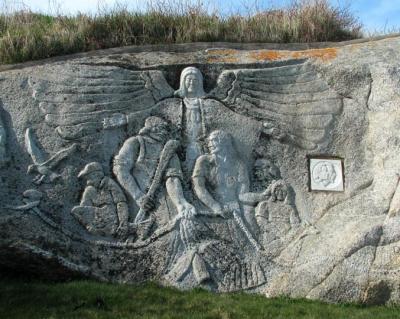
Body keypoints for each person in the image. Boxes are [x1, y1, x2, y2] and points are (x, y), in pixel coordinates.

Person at [113, 116, 196, 234]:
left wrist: (180, 203)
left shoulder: (169, 151)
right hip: (135, 201)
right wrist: (138, 196)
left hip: (162, 203)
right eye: (162, 128)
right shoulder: (135, 142)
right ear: (151, 129)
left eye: (167, 129)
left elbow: (172, 179)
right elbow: (120, 170)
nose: (166, 132)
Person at [71, 162, 130, 237]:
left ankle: (108, 230)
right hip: (98, 219)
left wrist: (123, 223)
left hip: (112, 217)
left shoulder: (109, 183)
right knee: (76, 211)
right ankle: (95, 231)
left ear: (97, 175)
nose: (87, 181)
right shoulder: (89, 190)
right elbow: (84, 209)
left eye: (88, 177)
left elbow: (121, 203)